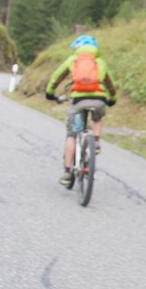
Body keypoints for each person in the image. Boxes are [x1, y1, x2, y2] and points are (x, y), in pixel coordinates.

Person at [45, 35, 118, 187]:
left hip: (77, 101)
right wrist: (112, 97)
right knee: (97, 118)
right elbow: (110, 83)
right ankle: (96, 142)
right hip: (98, 99)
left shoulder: (73, 60)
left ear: (78, 47)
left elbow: (56, 77)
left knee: (72, 134)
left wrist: (50, 93)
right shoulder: (99, 62)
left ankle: (66, 172)